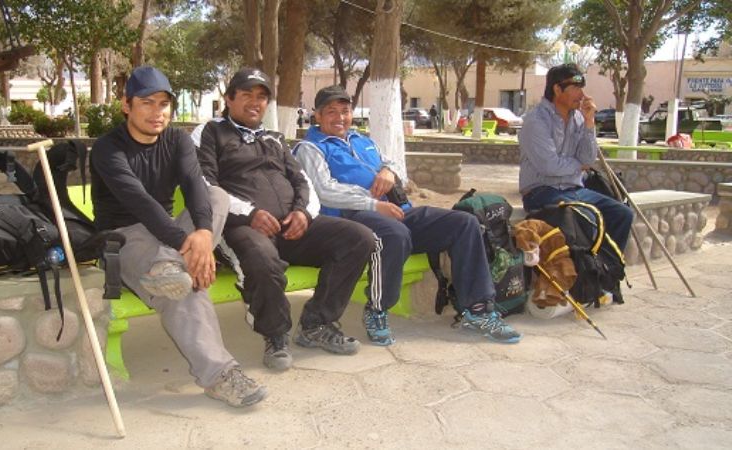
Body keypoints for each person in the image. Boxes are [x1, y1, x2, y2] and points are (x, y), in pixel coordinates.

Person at [90, 66, 266, 408]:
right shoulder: (107, 149)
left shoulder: (177, 140)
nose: (157, 112)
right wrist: (189, 245)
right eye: (147, 103)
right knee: (183, 288)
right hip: (124, 238)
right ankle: (220, 376)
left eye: (163, 104)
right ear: (126, 106)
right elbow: (140, 203)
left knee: (217, 197)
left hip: (169, 237)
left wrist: (200, 234)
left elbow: (196, 187)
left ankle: (170, 267)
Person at [294, 85, 522, 346]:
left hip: (397, 210)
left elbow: (390, 163)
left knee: (464, 223)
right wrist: (373, 205)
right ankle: (378, 310)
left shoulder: (362, 140)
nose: (340, 117)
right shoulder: (310, 148)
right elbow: (324, 191)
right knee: (394, 233)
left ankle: (478, 310)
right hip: (350, 218)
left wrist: (389, 172)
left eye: (344, 111)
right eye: (331, 112)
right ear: (318, 116)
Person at [192, 68, 375, 372]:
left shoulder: (274, 138)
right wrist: (250, 213)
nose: (255, 102)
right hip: (241, 227)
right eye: (247, 94)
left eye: (262, 96)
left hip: (291, 227)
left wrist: (303, 212)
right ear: (229, 98)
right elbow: (205, 183)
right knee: (263, 259)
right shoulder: (210, 132)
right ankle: (275, 335)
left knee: (358, 238)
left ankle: (317, 323)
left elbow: (302, 181)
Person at [518, 63, 633, 251]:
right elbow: (550, 166)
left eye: (582, 88)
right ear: (557, 89)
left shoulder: (578, 118)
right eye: (575, 88)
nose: (581, 94)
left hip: (574, 189)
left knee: (622, 214)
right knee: (581, 220)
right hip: (542, 192)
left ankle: (606, 269)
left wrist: (589, 123)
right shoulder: (536, 121)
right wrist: (579, 166)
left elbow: (588, 159)